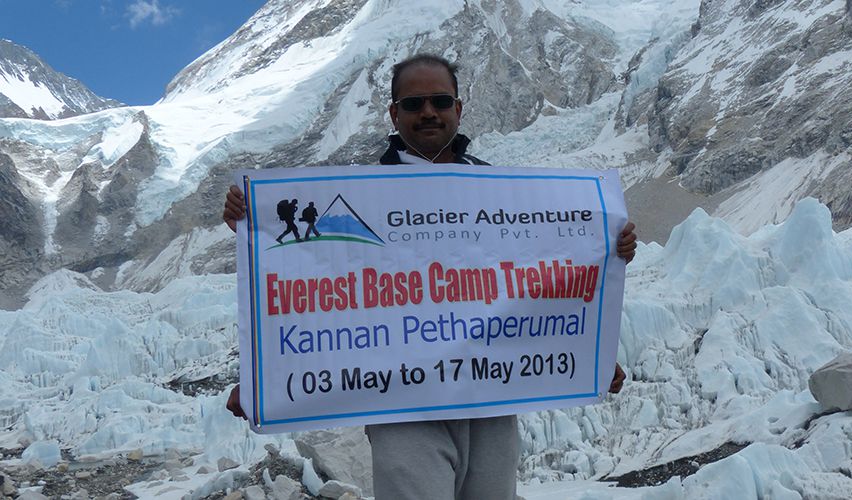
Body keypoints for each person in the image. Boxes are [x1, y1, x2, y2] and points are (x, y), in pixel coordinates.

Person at [223, 54, 636, 500]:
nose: (428, 113)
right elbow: (319, 296)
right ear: (393, 113)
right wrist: (254, 224)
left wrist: (589, 354)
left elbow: (540, 281)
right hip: (404, 407)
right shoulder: (360, 193)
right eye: (413, 103)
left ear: (459, 108)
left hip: (492, 395)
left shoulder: (502, 189)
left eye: (440, 100)